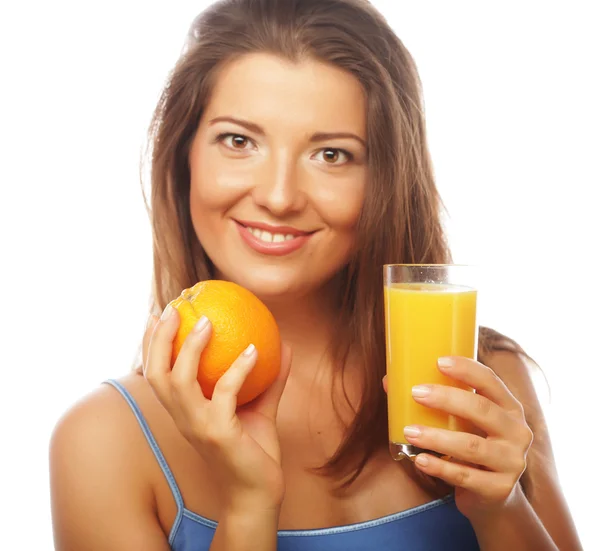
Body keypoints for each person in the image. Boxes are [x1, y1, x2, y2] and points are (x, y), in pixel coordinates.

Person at [49, 0, 582, 549]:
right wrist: (248, 502)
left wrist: (501, 508)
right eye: (239, 141)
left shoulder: (483, 379)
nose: (278, 197)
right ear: (183, 155)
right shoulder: (103, 443)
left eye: (331, 154)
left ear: (385, 181)